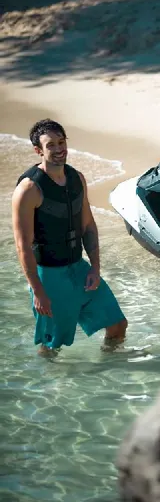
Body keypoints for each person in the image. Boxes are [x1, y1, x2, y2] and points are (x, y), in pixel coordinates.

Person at [12, 119, 128, 355]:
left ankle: (108, 370)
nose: (58, 149)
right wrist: (38, 291)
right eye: (50, 145)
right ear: (38, 150)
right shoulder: (28, 189)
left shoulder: (77, 178)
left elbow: (88, 225)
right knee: (52, 345)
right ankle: (50, 378)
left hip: (79, 269)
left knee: (117, 325)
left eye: (61, 142)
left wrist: (95, 267)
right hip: (49, 276)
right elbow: (23, 246)